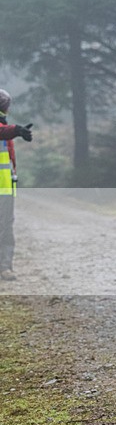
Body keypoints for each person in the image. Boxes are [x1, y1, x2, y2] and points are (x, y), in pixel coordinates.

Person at [0, 89, 33, 281]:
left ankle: (5, 267)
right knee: (5, 227)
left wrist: (16, 131)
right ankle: (5, 268)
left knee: (5, 227)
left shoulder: (5, 126)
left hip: (5, 187)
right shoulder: (5, 128)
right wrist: (16, 130)